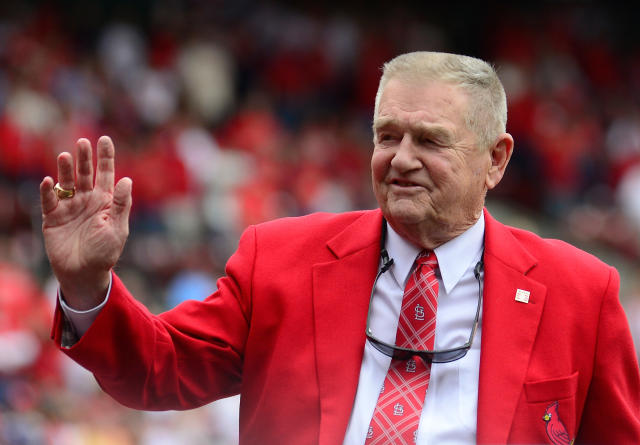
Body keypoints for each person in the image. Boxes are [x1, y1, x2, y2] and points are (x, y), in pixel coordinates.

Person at [40, 52, 640, 444]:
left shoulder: (580, 293)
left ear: (497, 159)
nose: (402, 160)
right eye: (387, 136)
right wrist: (88, 287)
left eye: (430, 141)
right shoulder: (278, 259)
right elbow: (157, 372)